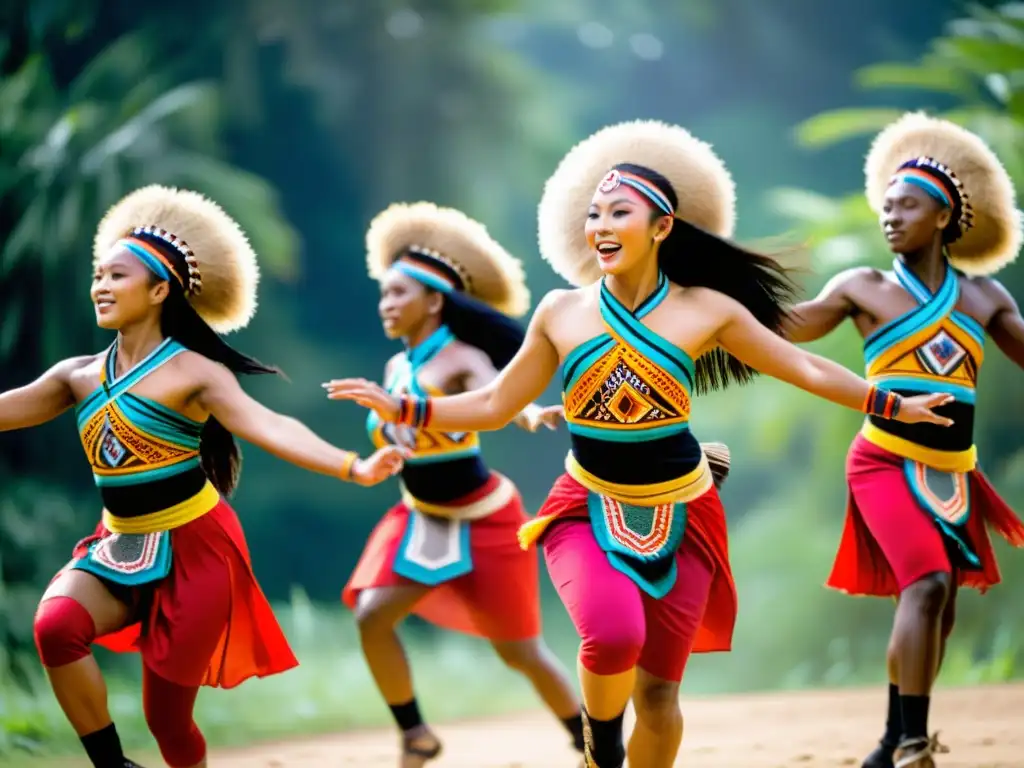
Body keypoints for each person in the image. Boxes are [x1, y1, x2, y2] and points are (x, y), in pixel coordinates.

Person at [325, 119, 953, 768]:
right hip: (585, 507)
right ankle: (601, 746)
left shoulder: (707, 309)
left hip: (686, 511)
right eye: (592, 214)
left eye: (618, 212)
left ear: (662, 228)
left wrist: (890, 402)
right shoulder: (560, 313)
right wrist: (405, 404)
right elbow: (492, 404)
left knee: (658, 698)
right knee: (612, 635)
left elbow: (808, 367)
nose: (599, 225)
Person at [4, 185, 404, 768]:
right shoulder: (77, 377)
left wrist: (355, 467)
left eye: (117, 276)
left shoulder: (196, 372)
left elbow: (270, 426)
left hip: (198, 550)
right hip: (118, 542)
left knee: (167, 720)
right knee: (56, 626)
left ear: (159, 290)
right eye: (98, 275)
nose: (101, 286)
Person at [782, 112, 1024, 768]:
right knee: (926, 585)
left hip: (956, 472)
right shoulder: (863, 287)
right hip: (883, 462)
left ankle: (893, 740)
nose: (891, 217)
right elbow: (792, 328)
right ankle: (914, 742)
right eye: (885, 206)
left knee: (937, 608)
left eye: (908, 206)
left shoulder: (984, 297)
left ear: (943, 217)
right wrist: (723, 298)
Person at [330, 201, 586, 767]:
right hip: (421, 512)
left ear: (435, 300)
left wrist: (530, 413)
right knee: (372, 615)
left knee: (519, 652)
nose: (386, 305)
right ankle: (416, 734)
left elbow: (497, 398)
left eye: (398, 293)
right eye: (383, 293)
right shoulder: (397, 369)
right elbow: (399, 427)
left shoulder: (463, 357)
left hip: (485, 515)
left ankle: (587, 740)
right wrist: (391, 445)